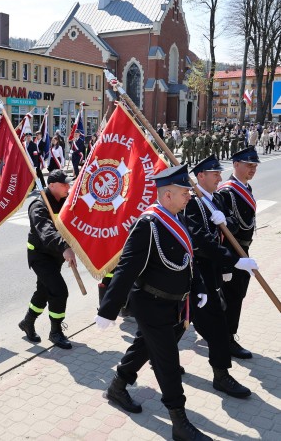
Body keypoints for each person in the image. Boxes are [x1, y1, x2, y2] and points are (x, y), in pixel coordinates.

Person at [96, 165, 212, 441]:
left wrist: (199, 287)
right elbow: (127, 268)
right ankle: (179, 422)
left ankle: (118, 385)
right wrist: (108, 309)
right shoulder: (149, 224)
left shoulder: (177, 218)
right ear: (168, 194)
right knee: (168, 362)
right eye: (185, 192)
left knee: (144, 346)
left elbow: (189, 261)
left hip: (175, 304)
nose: (190, 197)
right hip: (151, 304)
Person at [184, 155, 255, 398]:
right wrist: (235, 260)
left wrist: (225, 221)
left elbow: (234, 225)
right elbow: (201, 242)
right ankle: (221, 376)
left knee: (186, 324)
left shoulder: (218, 199)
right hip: (197, 274)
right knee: (211, 326)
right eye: (215, 174)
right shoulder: (193, 204)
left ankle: (219, 373)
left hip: (214, 271)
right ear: (200, 176)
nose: (220, 178)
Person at [18, 170, 77, 349]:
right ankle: (56, 332)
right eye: (64, 184)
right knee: (59, 290)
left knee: (44, 291)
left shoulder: (64, 202)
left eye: (68, 183)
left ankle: (27, 322)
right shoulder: (38, 205)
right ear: (51, 186)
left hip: (55, 256)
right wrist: (64, 247)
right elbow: (46, 230)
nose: (68, 187)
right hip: (40, 256)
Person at [216, 146, 259, 359]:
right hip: (232, 252)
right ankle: (227, 339)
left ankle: (224, 333)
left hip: (244, 249)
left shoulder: (245, 188)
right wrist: (226, 264)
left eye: (254, 166)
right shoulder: (227, 191)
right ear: (235, 164)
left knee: (237, 294)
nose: (252, 169)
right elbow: (222, 230)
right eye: (248, 165)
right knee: (232, 296)